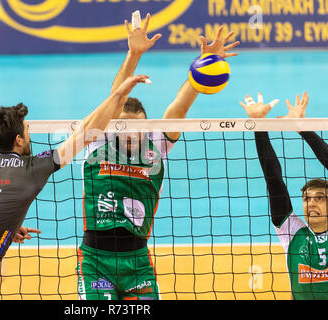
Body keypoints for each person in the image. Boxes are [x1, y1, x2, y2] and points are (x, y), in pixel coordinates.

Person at [0, 74, 151, 300]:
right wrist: (119, 94)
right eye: (27, 130)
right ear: (18, 139)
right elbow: (88, 132)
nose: (29, 134)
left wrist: (4, 228)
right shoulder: (31, 169)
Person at [76, 14, 240, 300]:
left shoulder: (157, 145)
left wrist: (202, 69)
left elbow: (179, 109)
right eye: (124, 125)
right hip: (95, 262)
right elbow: (114, 98)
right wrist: (133, 54)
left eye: (138, 127)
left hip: (138, 263)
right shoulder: (98, 140)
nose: (131, 132)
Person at [240, 91, 328, 299]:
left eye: (320, 198)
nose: (311, 204)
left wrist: (303, 129)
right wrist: (259, 125)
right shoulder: (291, 232)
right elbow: (274, 180)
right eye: (307, 199)